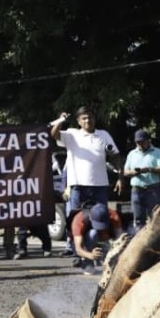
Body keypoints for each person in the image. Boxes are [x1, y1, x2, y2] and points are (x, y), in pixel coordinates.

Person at [50, 106, 121, 248]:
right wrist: (61, 120)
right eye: (84, 118)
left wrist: (120, 176)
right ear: (79, 121)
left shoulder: (103, 135)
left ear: (95, 119)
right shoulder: (72, 134)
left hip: (100, 185)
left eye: (90, 117)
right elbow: (54, 134)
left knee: (101, 216)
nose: (88, 120)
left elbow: (115, 155)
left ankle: (99, 247)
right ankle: (74, 248)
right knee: (76, 218)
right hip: (78, 185)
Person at [122, 128, 160, 231]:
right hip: (137, 189)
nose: (140, 144)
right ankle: (139, 237)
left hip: (153, 189)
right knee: (138, 219)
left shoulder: (157, 152)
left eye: (142, 141)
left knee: (155, 217)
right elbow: (125, 171)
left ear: (148, 140)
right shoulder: (132, 154)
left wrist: (150, 169)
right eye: (138, 142)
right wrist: (133, 172)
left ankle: (155, 238)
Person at [70, 202, 123, 273]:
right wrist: (90, 255)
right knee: (93, 234)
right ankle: (87, 262)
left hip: (105, 239)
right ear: (90, 218)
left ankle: (105, 258)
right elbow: (78, 249)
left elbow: (121, 238)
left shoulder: (113, 215)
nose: (101, 228)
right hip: (85, 241)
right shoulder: (79, 220)